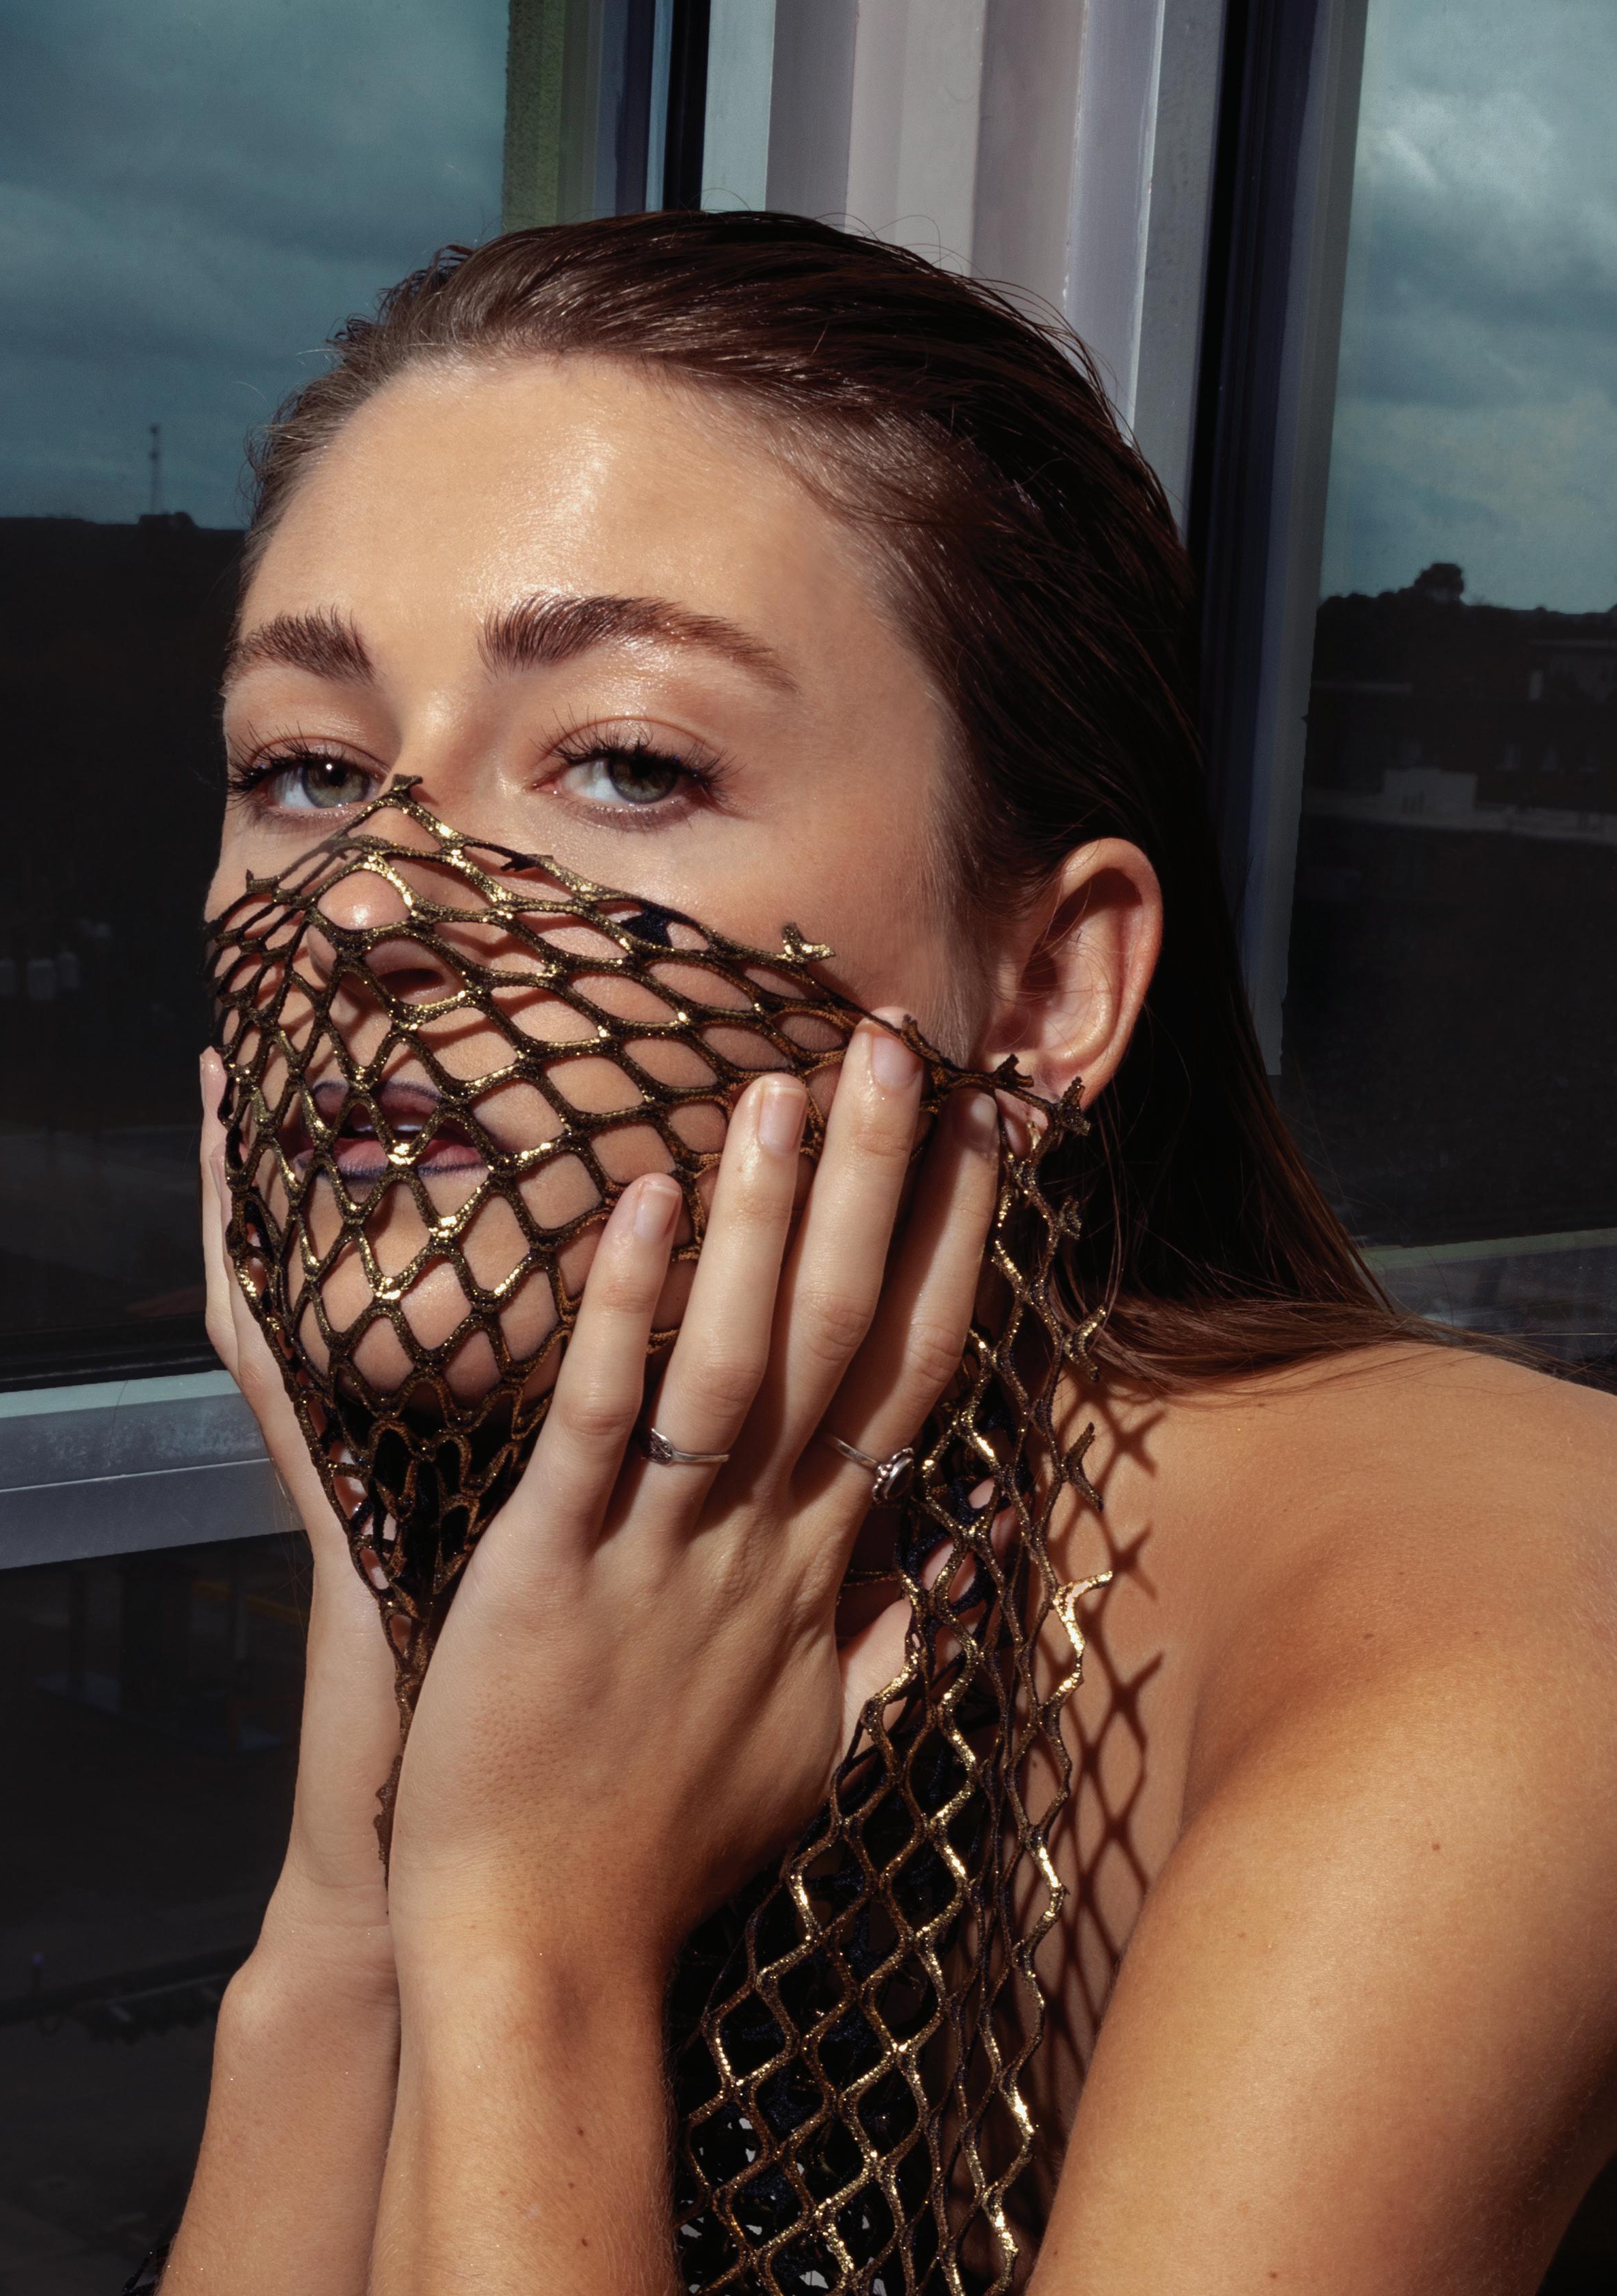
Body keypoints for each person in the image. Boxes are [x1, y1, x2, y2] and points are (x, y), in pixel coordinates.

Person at [163, 212, 1617, 2295]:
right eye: (304, 769)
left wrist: (526, 1942)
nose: (373, 909)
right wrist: (354, 1880)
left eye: (629, 764)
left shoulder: (1494, 1637)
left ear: (1044, 987)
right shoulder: (564, 1564)